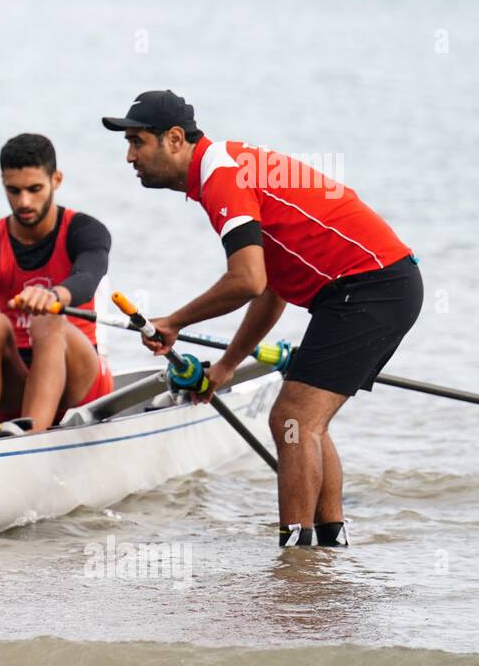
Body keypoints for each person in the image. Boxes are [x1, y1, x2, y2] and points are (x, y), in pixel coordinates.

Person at [102, 90, 421, 547]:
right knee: (305, 419)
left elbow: (246, 280)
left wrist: (173, 321)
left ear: (174, 139)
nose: (129, 156)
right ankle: (329, 545)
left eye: (137, 142)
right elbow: (272, 287)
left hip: (372, 288)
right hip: (366, 290)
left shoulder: (220, 175)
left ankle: (295, 555)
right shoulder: (227, 168)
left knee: (293, 417)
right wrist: (228, 365)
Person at [0, 133, 113, 440]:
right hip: (19, 380)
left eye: (34, 189)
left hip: (81, 380)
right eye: (13, 191)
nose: (24, 202)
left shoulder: (85, 231)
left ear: (56, 180)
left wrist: (55, 296)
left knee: (47, 319)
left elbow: (88, 277)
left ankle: (26, 440)